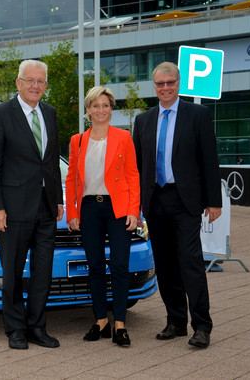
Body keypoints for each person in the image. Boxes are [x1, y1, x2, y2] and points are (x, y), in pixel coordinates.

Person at [132, 62, 222, 349]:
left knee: (190, 261)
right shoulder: (143, 120)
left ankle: (202, 326)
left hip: (185, 201)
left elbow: (209, 158)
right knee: (166, 264)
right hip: (154, 201)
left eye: (170, 82)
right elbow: (137, 167)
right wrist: (136, 205)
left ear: (178, 83)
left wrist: (214, 201)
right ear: (154, 86)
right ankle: (175, 321)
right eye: (160, 84)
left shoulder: (197, 115)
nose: (165, 88)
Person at [0, 59, 64, 350]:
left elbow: (52, 161)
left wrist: (58, 200)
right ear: (18, 83)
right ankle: (15, 329)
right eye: (30, 80)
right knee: (13, 273)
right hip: (13, 210)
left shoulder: (50, 114)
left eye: (40, 81)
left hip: (45, 209)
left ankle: (37, 327)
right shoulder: (1, 114)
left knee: (43, 271)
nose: (35, 86)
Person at [65, 86, 140, 347]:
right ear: (88, 110)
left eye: (105, 105)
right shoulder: (78, 140)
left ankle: (119, 323)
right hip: (89, 208)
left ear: (111, 109)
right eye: (95, 106)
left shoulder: (123, 137)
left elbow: (132, 175)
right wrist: (72, 212)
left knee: (120, 265)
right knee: (95, 266)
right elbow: (72, 178)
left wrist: (133, 211)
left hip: (117, 208)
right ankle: (100, 320)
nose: (101, 110)